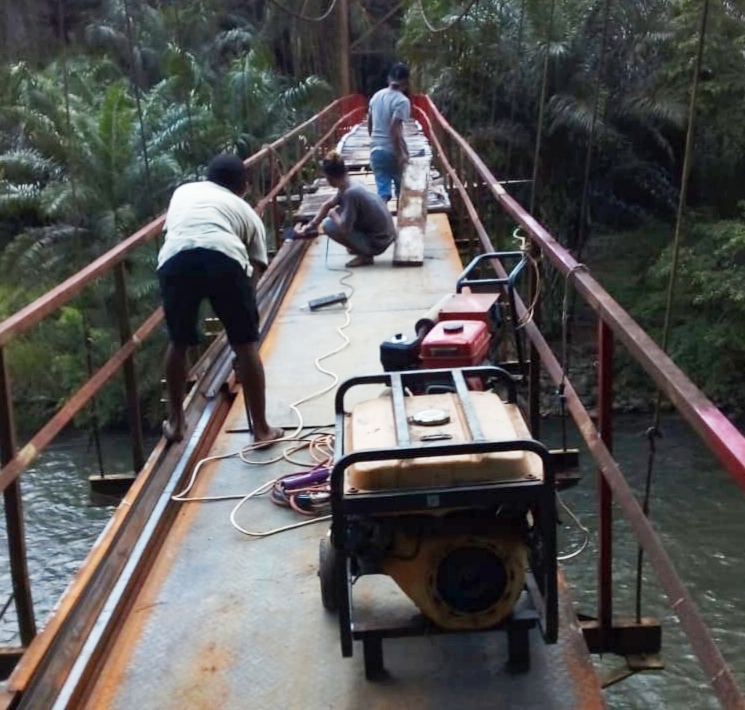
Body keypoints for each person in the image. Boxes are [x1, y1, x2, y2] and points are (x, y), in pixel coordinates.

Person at [157, 153, 283, 446]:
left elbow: (179, 229)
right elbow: (256, 268)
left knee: (178, 341)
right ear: (243, 187)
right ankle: (262, 430)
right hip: (224, 258)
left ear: (208, 177)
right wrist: (244, 315)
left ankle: (176, 423)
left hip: (176, 259)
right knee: (245, 346)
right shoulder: (248, 213)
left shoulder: (183, 191)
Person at [297, 151, 396, 267]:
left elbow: (345, 229)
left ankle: (366, 255)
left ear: (330, 179)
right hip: (386, 235)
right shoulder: (349, 184)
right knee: (339, 213)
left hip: (379, 242)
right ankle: (360, 247)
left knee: (328, 225)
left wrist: (333, 214)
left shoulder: (350, 193)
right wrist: (311, 225)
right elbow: (328, 204)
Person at [367, 62, 412, 202]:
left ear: (388, 78)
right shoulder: (402, 101)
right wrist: (401, 154)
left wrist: (375, 142)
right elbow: (394, 129)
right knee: (402, 192)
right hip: (391, 151)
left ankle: (381, 222)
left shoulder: (376, 96)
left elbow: (369, 123)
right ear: (406, 82)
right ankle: (402, 222)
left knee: (383, 193)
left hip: (376, 151)